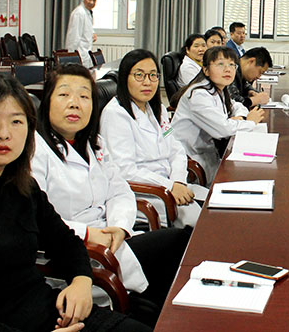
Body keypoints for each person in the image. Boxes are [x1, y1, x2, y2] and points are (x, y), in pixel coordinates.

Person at [0, 73, 150, 332]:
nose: (4, 134)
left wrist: (81, 281)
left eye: (16, 121)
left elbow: (66, 242)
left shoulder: (22, 186)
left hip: (51, 314)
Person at [31, 64, 190, 325]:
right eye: (64, 95)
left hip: (112, 238)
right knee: (175, 247)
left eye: (84, 96)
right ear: (47, 102)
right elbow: (37, 219)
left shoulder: (93, 143)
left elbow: (119, 190)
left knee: (178, 247)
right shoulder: (35, 151)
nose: (75, 103)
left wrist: (119, 226)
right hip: (78, 252)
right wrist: (87, 234)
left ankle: (160, 315)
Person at [100, 49, 205, 228]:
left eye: (153, 75)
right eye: (139, 75)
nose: (147, 82)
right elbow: (125, 170)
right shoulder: (116, 114)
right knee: (203, 224)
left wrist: (178, 180)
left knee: (217, 204)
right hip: (147, 193)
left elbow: (176, 149)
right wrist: (169, 186)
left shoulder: (156, 109)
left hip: (172, 184)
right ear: (125, 78)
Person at [171, 46, 265, 184]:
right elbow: (223, 129)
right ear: (206, 70)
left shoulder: (217, 89)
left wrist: (241, 118)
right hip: (190, 163)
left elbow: (236, 106)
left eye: (232, 65)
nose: (228, 69)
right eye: (220, 64)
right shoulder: (199, 95)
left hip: (209, 154)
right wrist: (249, 122)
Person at [65, 0, 98, 68]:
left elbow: (87, 28)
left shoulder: (87, 12)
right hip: (79, 54)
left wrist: (92, 33)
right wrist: (71, 56)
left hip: (85, 53)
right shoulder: (79, 13)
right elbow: (73, 36)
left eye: (94, 0)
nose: (91, 2)